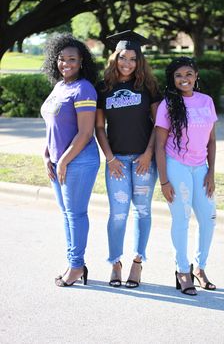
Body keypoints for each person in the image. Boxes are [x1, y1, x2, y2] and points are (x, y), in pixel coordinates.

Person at [96, 30, 162, 288]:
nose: (127, 63)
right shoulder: (104, 87)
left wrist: (148, 154)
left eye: (133, 59)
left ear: (139, 61)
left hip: (144, 160)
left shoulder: (147, 87)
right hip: (117, 162)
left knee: (143, 210)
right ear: (116, 57)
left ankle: (137, 263)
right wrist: (110, 158)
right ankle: (115, 262)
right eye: (124, 57)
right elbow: (100, 128)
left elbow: (160, 125)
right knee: (118, 214)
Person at [41, 33, 100, 287]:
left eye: (72, 59)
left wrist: (63, 161)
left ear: (82, 61)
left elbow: (86, 132)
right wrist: (47, 154)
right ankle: (73, 262)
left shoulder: (84, 88)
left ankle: (76, 266)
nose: (66, 63)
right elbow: (54, 126)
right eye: (62, 59)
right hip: (59, 160)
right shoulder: (60, 86)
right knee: (67, 215)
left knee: (75, 214)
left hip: (78, 161)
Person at [155, 56, 217, 296]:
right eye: (179, 75)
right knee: (182, 218)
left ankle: (200, 268)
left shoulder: (206, 101)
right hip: (176, 166)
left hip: (201, 167)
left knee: (209, 218)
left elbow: (211, 141)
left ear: (196, 76)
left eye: (189, 74)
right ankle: (183, 270)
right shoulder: (168, 105)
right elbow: (160, 145)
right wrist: (164, 180)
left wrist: (211, 172)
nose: (184, 79)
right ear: (173, 78)